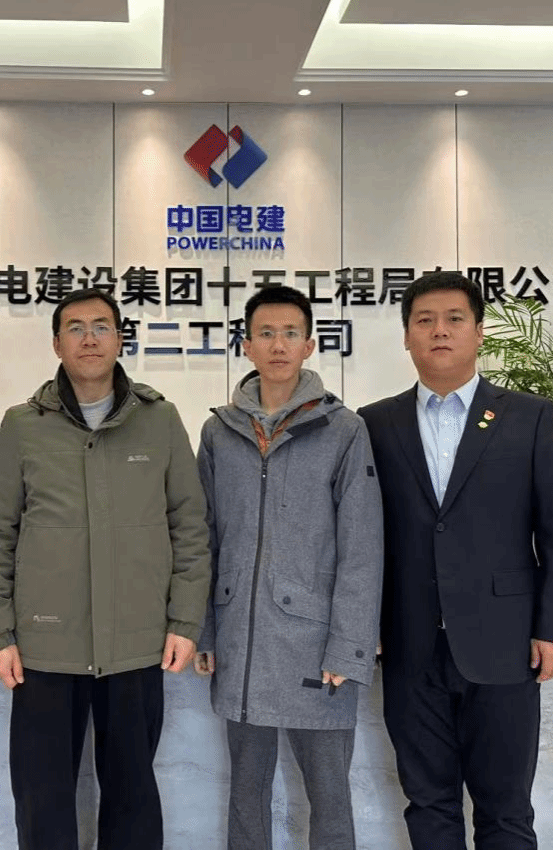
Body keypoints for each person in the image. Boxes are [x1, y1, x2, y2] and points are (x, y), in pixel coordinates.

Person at [0, 286, 210, 850]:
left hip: (137, 641)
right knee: (42, 794)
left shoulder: (160, 419)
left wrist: (184, 621)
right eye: (74, 328)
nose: (89, 338)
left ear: (120, 339)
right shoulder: (24, 425)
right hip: (45, 645)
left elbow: (190, 527)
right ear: (57, 344)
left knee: (132, 793)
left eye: (101, 326)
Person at [358, 271, 553, 850]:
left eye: (455, 319)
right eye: (425, 321)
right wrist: (364, 624)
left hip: (505, 643)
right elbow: (361, 536)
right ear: (406, 336)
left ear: (479, 332)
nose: (440, 331)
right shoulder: (374, 423)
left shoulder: (528, 416)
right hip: (409, 644)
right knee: (428, 802)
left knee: (505, 809)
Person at [194, 285, 383, 850]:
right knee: (245, 794)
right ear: (247, 345)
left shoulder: (343, 430)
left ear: (310, 345)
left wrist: (349, 647)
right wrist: (206, 630)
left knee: (330, 796)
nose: (279, 345)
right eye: (267, 333)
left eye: (291, 333)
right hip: (242, 641)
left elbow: (362, 547)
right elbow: (203, 537)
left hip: (318, 645)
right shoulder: (219, 431)